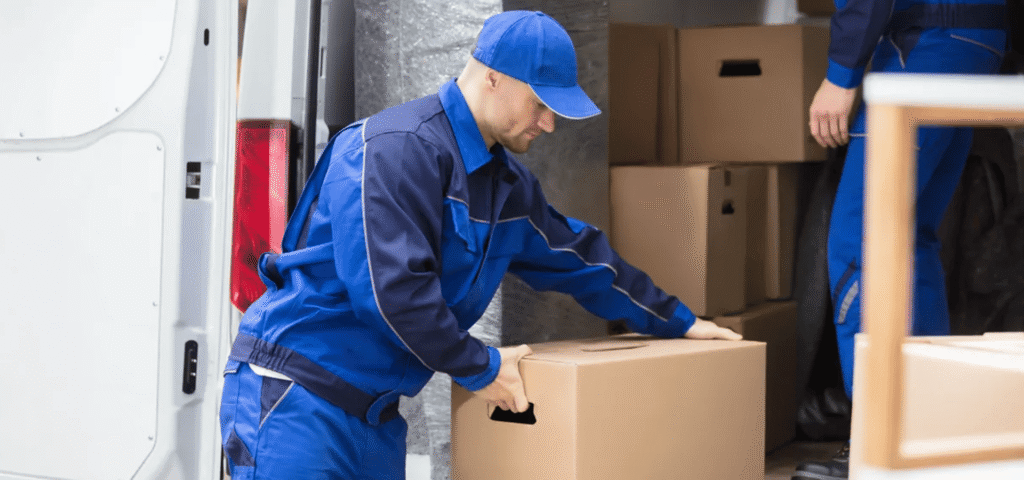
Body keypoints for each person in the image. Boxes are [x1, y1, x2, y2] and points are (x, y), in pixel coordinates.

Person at [219, 10, 741, 480]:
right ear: (493, 77)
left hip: (376, 418)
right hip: (299, 400)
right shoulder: (394, 150)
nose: (549, 124)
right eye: (540, 104)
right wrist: (481, 366)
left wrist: (678, 321)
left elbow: (578, 257)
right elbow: (390, 293)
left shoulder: (505, 187)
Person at [794, 0, 1008, 479]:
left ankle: (878, 441)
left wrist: (841, 74)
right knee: (908, 240)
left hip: (928, 40)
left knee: (862, 241)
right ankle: (927, 436)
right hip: (972, 38)